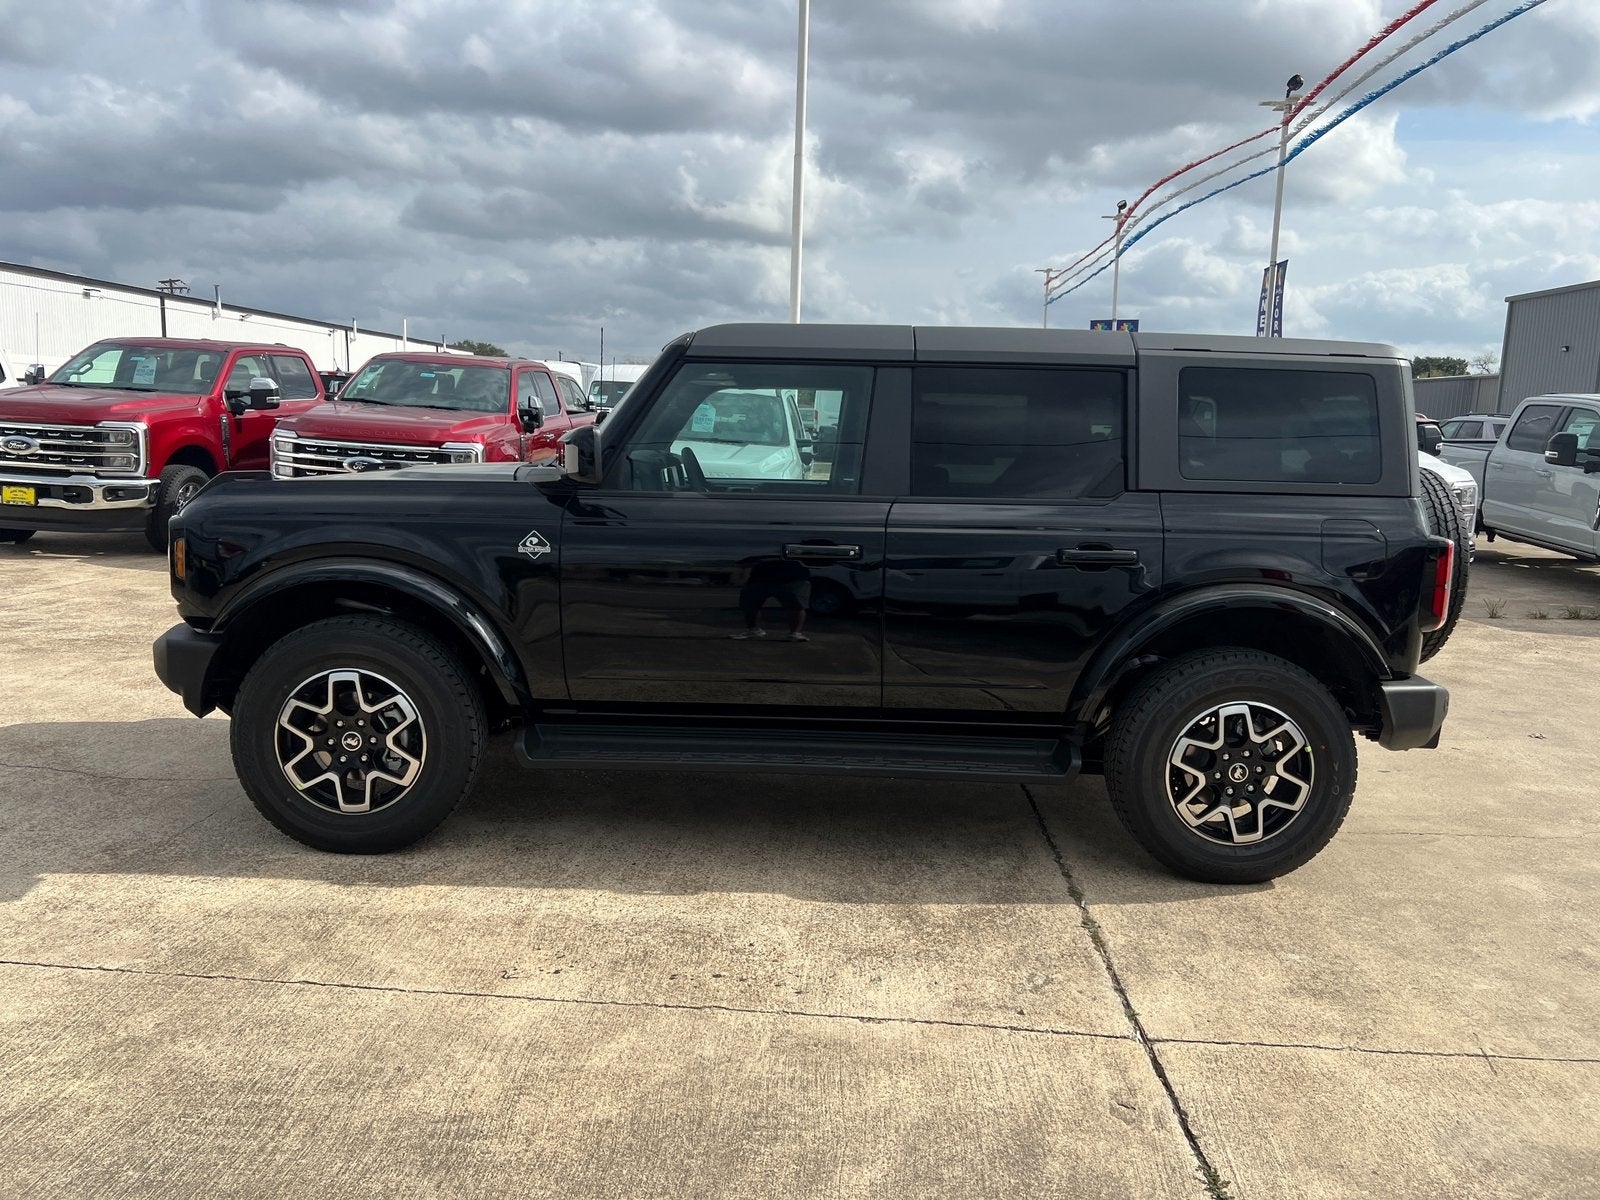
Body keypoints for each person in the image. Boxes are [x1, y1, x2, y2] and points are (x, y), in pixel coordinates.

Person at [730, 553, 810, 641]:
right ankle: (754, 630)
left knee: (796, 605)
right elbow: (745, 559)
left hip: (794, 577)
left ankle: (795, 633)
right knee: (749, 604)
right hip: (760, 577)